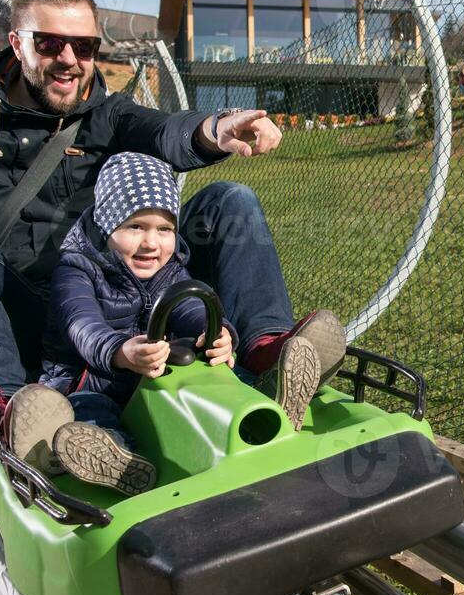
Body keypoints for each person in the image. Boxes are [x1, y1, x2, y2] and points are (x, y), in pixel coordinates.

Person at [0, 0, 341, 468]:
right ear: (17, 43)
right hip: (9, 307)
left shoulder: (106, 113)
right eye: (51, 43)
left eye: (85, 45)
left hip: (108, 297)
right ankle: (9, 409)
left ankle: (265, 352)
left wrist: (217, 126)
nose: (70, 61)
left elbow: (167, 133)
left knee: (232, 199)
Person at [35, 152, 344, 494]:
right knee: (87, 410)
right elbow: (82, 326)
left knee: (219, 372)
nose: (152, 243)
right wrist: (120, 352)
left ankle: (269, 397)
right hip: (94, 379)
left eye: (164, 229)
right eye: (135, 226)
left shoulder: (167, 266)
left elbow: (191, 307)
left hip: (157, 378)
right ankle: (120, 459)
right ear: (108, 225)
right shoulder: (77, 269)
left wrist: (216, 332)